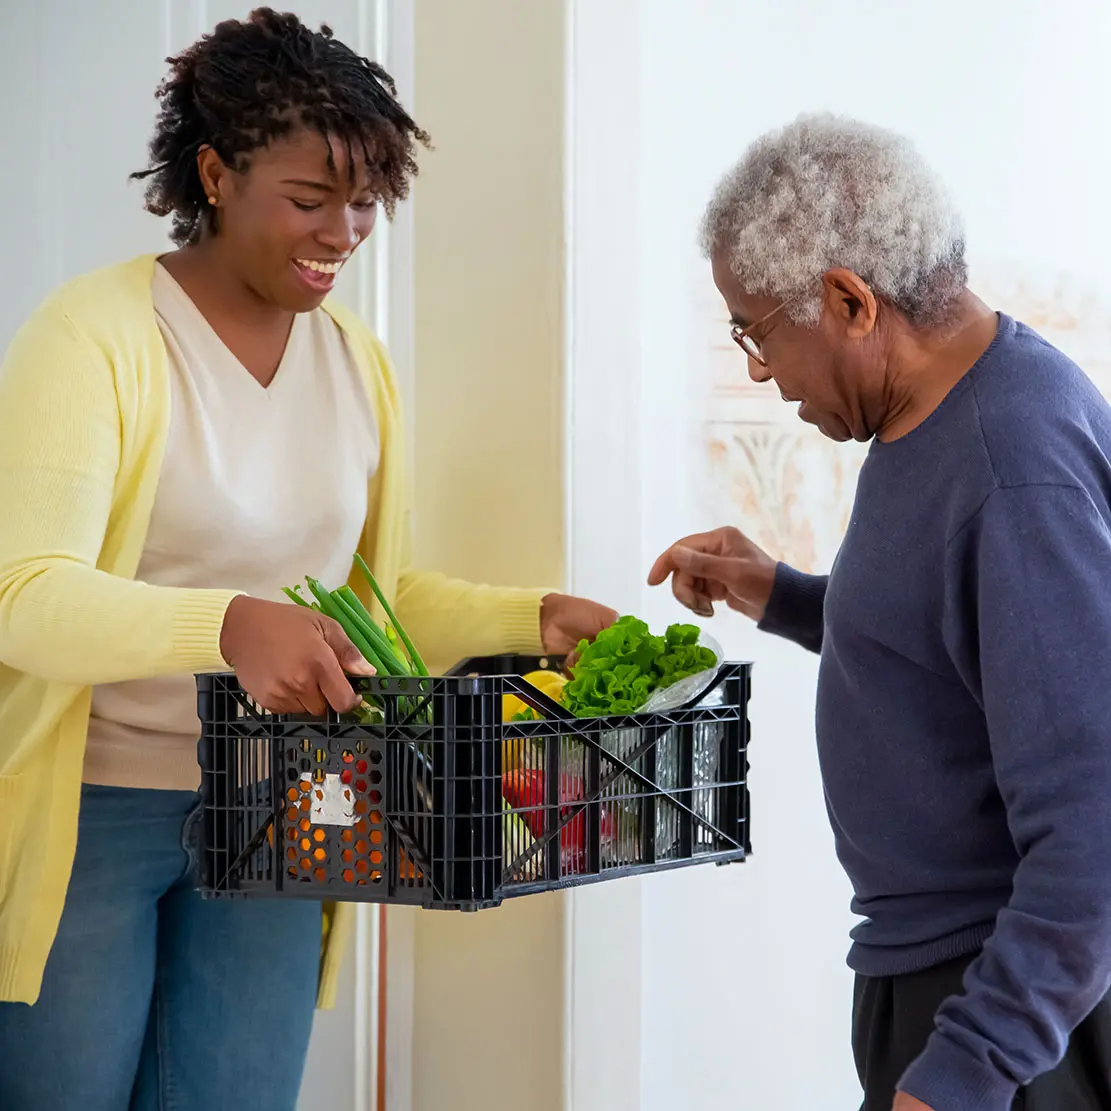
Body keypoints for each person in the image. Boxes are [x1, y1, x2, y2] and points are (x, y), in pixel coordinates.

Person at [0, 9, 615, 1110]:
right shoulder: (90, 338)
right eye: (309, 198)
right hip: (89, 810)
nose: (344, 231)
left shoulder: (354, 362)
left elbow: (370, 602)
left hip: (285, 800)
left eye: (367, 202)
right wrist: (229, 626)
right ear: (215, 174)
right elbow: (26, 596)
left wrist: (532, 615)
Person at [650, 114, 1111, 1111]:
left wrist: (966, 1069)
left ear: (848, 301)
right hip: (946, 979)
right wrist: (781, 592)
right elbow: (960, 646)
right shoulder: (941, 416)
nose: (758, 371)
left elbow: (1094, 827)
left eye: (758, 332)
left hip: (1004, 1007)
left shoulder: (1009, 468)